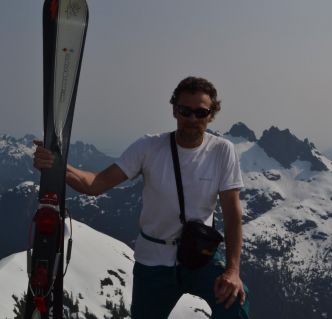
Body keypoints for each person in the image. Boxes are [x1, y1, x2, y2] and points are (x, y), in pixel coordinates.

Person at [33, 76, 250, 319]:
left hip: (200, 258)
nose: (191, 119)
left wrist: (233, 270)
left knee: (236, 306)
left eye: (200, 113)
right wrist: (56, 165)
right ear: (174, 111)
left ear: (211, 115)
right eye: (185, 110)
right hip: (153, 263)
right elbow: (95, 184)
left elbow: (232, 215)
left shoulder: (222, 151)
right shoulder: (148, 147)